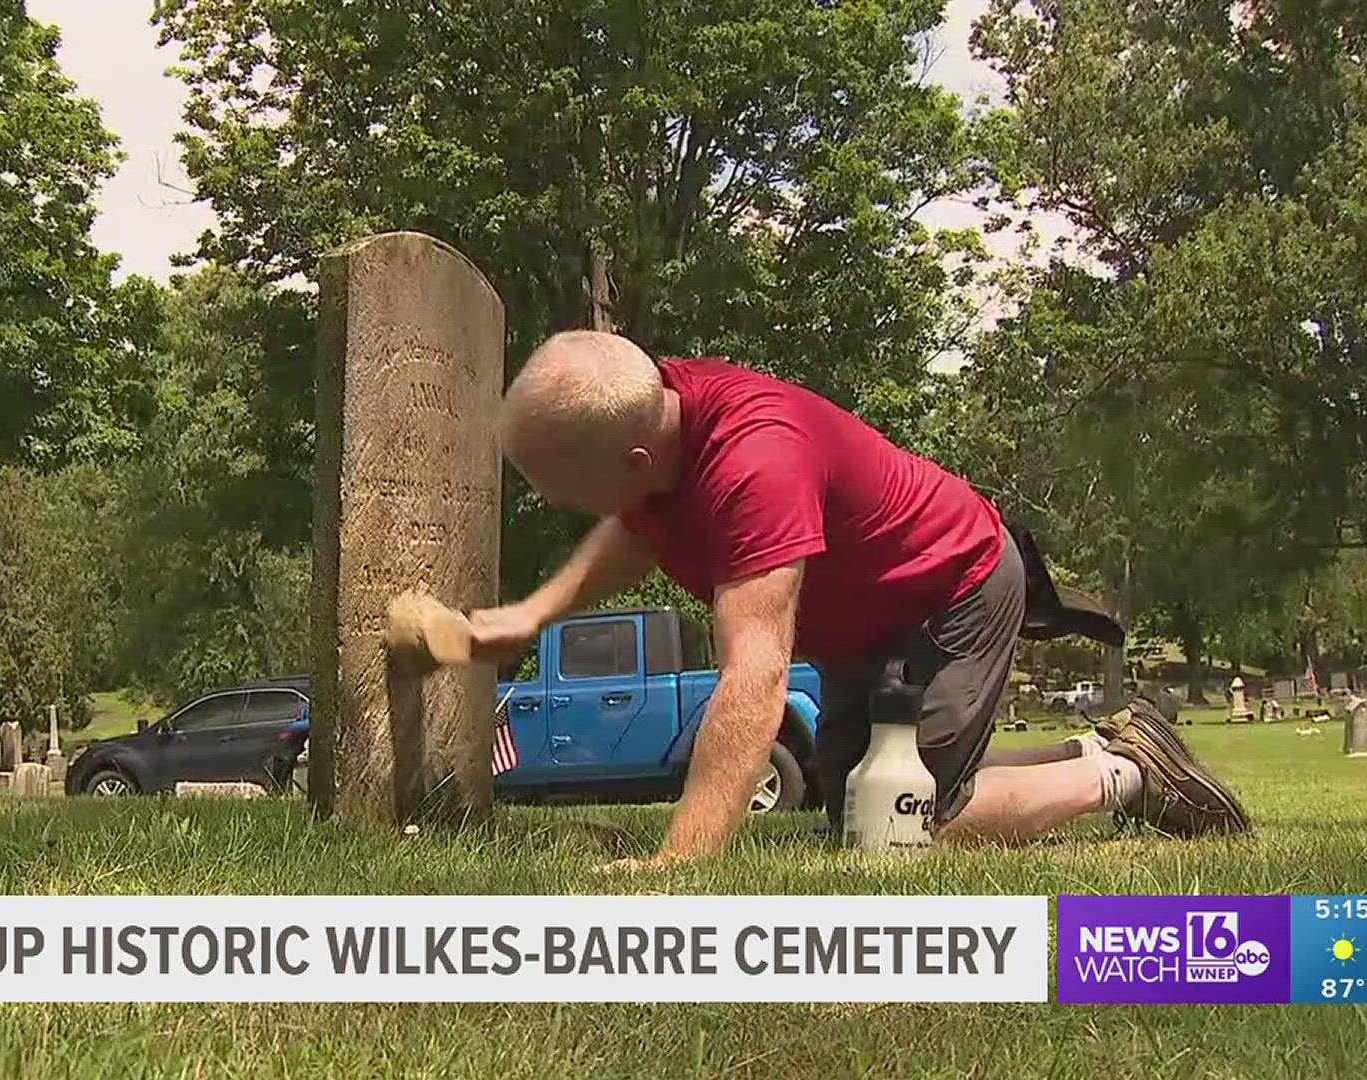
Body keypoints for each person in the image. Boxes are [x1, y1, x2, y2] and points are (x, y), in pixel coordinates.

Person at [468, 331, 1249, 870]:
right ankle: (1104, 749)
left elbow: (755, 678)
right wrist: (534, 612)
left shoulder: (752, 466)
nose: (561, 506)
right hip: (861, 624)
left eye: (560, 491)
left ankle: (1124, 774)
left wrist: (683, 859)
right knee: (855, 814)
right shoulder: (656, 415)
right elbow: (634, 531)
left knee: (906, 824)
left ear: (635, 458)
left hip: (953, 586)